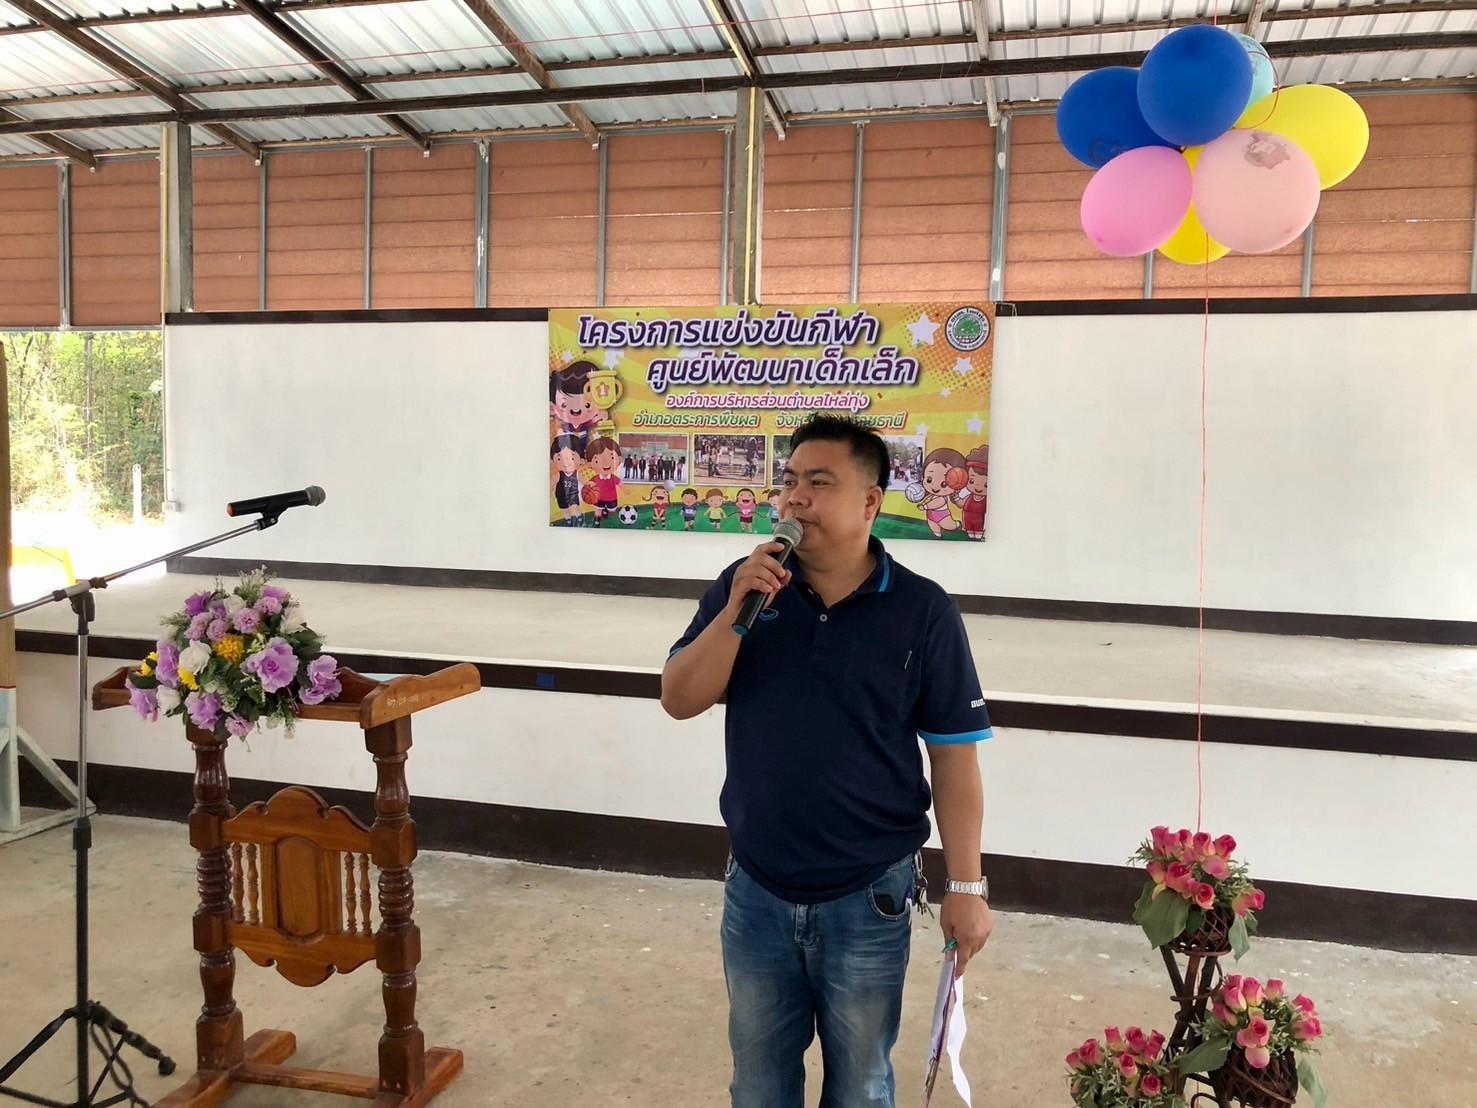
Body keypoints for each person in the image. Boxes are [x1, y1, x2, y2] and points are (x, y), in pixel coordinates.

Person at [661, 413, 994, 1108]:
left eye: (818, 482)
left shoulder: (922, 611)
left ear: (870, 502)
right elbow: (679, 699)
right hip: (756, 887)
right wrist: (736, 609)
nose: (795, 498)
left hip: (868, 894)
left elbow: (954, 759)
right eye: (789, 481)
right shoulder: (742, 587)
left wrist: (966, 886)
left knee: (861, 1084)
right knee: (758, 1083)